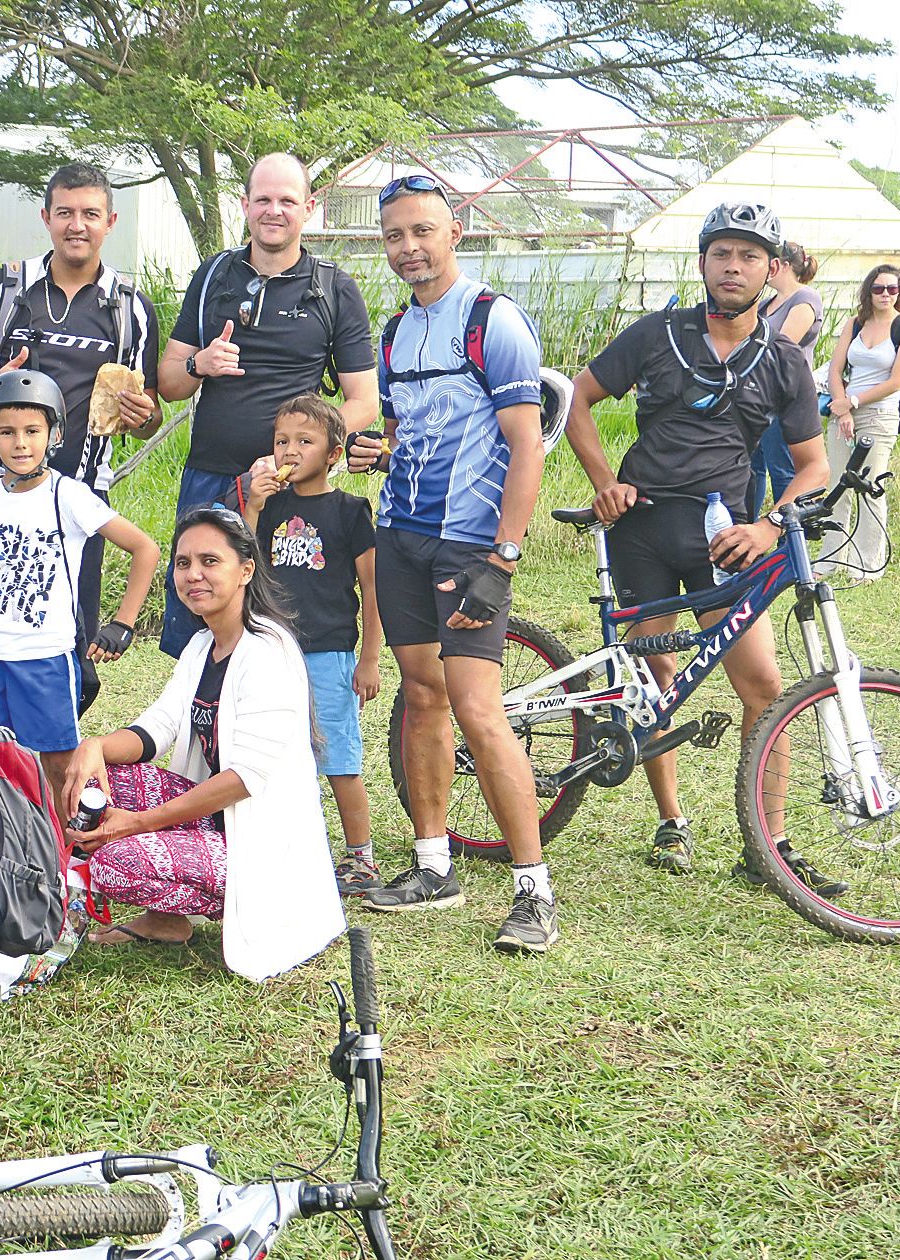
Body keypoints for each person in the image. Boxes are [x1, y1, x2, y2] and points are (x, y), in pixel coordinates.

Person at [563, 202, 839, 894]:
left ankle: (765, 843)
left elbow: (812, 465)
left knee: (765, 689)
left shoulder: (782, 360)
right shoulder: (658, 334)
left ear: (772, 270)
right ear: (703, 263)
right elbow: (578, 399)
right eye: (722, 254)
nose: (734, 267)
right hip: (644, 529)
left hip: (730, 539)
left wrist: (771, 525)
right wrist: (603, 482)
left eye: (749, 256)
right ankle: (671, 822)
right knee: (656, 685)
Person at [343, 173, 556, 954]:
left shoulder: (494, 321)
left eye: (422, 232)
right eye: (395, 235)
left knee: (476, 707)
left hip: (469, 543)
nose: (408, 248)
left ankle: (534, 891)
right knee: (423, 697)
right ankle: (434, 866)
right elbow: (399, 430)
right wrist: (375, 448)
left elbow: (527, 445)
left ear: (454, 231)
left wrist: (503, 558)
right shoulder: (397, 332)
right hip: (401, 535)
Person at [62, 507, 344, 979]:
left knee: (115, 860)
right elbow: (158, 728)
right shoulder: (202, 644)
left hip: (258, 844)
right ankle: (167, 921)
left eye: (210, 561)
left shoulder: (268, 651)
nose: (193, 574)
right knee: (111, 781)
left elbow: (241, 782)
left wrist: (136, 824)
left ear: (246, 569)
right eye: (183, 562)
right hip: (214, 824)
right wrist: (94, 747)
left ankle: (206, 902)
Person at [155, 153, 379, 658]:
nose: (274, 210)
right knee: (200, 628)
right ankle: (204, 731)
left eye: (287, 200)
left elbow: (364, 400)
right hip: (212, 480)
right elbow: (169, 383)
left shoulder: (333, 289)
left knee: (283, 631)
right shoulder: (213, 276)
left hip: (291, 494)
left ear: (309, 208)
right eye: (263, 200)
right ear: (245, 205)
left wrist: (299, 451)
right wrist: (201, 365)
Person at [0, 369, 160, 807]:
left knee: (57, 765)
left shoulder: (68, 496)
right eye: (7, 432)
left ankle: (60, 853)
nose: (20, 443)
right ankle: (2, 849)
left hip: (46, 657)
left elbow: (145, 549)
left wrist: (123, 624)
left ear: (53, 434)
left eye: (32, 431)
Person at [0, 162, 163, 654]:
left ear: (110, 223)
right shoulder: (7, 289)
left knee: (73, 635)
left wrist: (140, 414)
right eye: (65, 212)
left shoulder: (130, 305)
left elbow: (148, 409)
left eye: (91, 213)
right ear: (46, 217)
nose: (77, 225)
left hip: (81, 497)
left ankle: (58, 727)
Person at [236, 395, 382, 897]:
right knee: (275, 753)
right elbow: (241, 560)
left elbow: (372, 588)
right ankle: (288, 849)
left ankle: (361, 858)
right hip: (274, 649)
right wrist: (253, 503)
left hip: (329, 651)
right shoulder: (269, 505)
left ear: (334, 454)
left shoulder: (349, 511)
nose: (290, 451)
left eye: (305, 441)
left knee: (337, 755)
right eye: (281, 441)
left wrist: (368, 658)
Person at [818, 263, 900, 585]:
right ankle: (831, 557)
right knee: (837, 484)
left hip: (879, 413)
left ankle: (867, 564)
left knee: (869, 486)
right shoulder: (855, 323)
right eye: (879, 289)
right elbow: (836, 370)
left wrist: (856, 402)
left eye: (892, 289)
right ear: (869, 292)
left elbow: (895, 381)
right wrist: (843, 409)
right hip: (844, 412)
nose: (886, 294)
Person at [748, 241, 825, 515]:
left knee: (783, 470)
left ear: (782, 265)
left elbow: (782, 344)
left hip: (784, 397)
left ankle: (787, 536)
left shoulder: (805, 298)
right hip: (756, 397)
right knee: (751, 466)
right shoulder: (767, 303)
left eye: (769, 262)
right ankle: (746, 524)